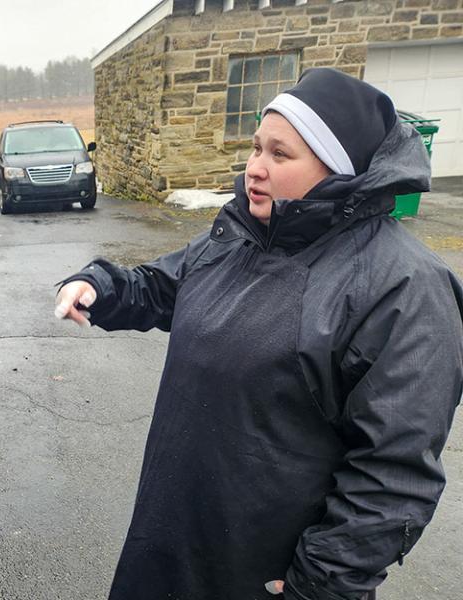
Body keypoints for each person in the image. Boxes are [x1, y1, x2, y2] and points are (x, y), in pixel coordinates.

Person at [54, 68, 463, 600]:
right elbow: (161, 285)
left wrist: (314, 589)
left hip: (267, 574)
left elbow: (391, 480)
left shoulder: (403, 289)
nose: (255, 168)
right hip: (172, 541)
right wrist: (99, 286)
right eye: (255, 149)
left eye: (280, 155)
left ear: (337, 169)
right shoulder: (241, 237)